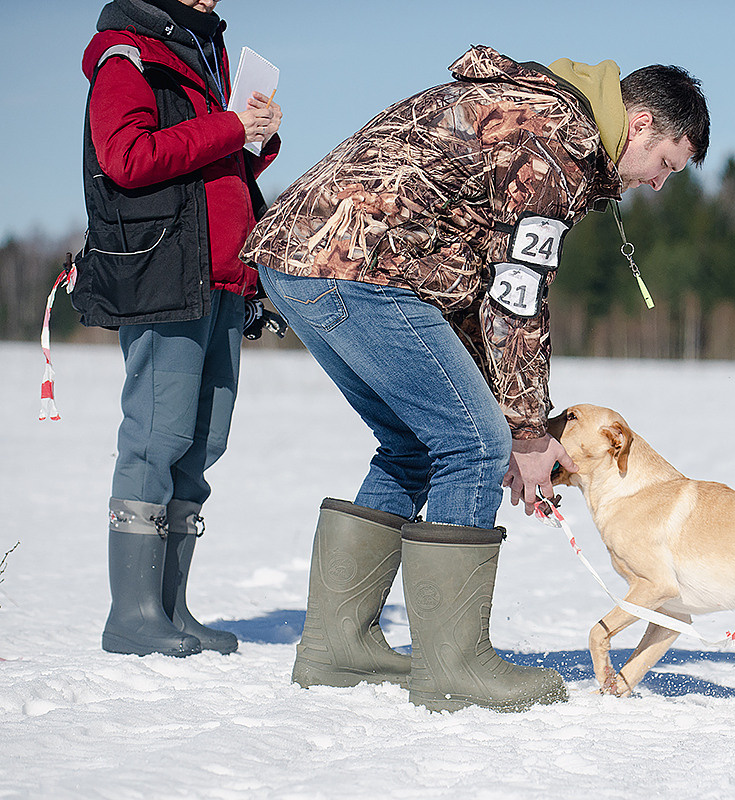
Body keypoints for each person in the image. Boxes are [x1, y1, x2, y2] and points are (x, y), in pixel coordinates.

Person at [240, 45, 709, 712]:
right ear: (639, 125)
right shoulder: (559, 144)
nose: (659, 184)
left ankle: (338, 646)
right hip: (357, 265)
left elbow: (478, 280)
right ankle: (453, 664)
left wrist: (514, 419)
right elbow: (518, 298)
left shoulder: (537, 112)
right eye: (666, 164)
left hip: (303, 259)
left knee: (416, 442)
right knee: (473, 442)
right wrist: (524, 433)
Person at [76, 0, 282, 657]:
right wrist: (229, 126)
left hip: (222, 278)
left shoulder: (204, 56)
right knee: (156, 439)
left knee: (200, 447)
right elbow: (126, 158)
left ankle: (170, 608)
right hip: (166, 276)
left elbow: (210, 169)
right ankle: (132, 615)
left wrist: (254, 139)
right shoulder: (127, 56)